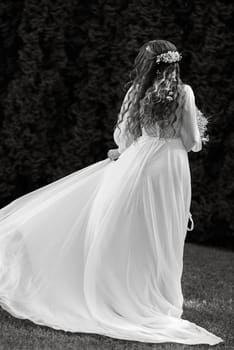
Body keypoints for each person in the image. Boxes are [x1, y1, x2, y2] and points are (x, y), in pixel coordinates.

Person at [0, 40, 223, 345]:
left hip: (138, 163)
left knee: (127, 230)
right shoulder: (184, 93)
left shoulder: (135, 91)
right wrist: (194, 129)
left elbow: (125, 137)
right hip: (170, 167)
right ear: (174, 64)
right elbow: (191, 141)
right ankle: (155, 296)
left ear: (146, 65)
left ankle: (114, 291)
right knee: (163, 232)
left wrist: (127, 152)